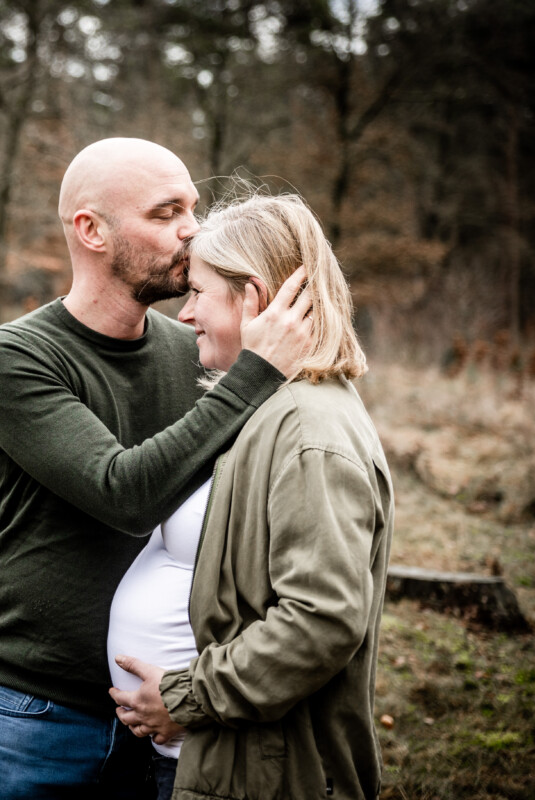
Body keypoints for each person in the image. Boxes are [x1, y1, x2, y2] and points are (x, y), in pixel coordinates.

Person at [0, 138, 314, 799]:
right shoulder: (15, 358)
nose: (192, 231)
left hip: (162, 721)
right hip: (32, 712)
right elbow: (125, 492)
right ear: (92, 231)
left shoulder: (197, 355)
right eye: (166, 213)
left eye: (193, 209)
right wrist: (258, 370)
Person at [109, 193, 394, 800]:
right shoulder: (272, 408)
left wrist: (187, 697)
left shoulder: (308, 430)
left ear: (255, 297)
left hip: (266, 775)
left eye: (199, 293)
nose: (184, 316)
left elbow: (320, 620)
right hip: (221, 762)